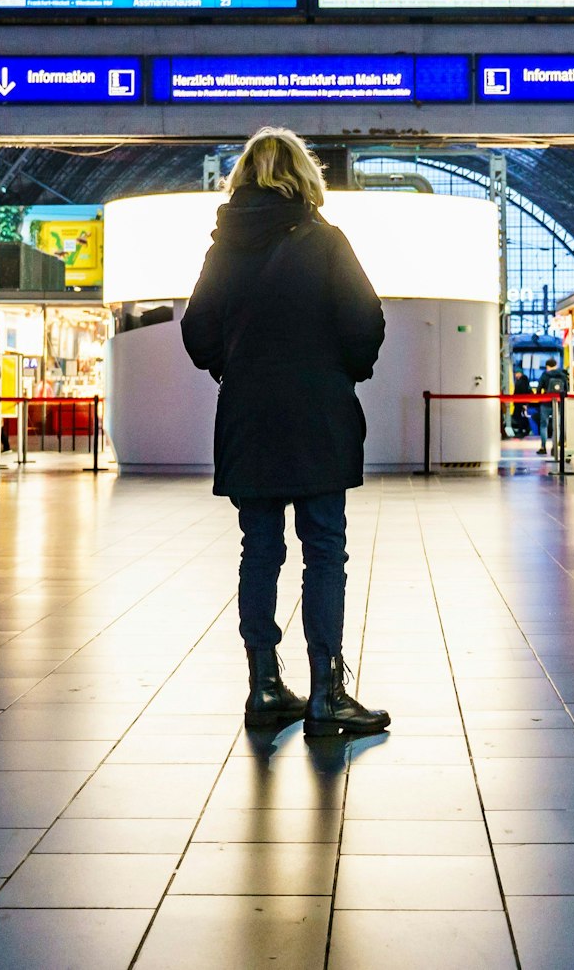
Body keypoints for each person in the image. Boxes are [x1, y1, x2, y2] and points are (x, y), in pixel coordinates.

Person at [182, 127, 390, 739]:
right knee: (324, 547)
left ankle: (264, 684)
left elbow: (197, 335)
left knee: (260, 549)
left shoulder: (222, 250)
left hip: (249, 417)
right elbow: (365, 323)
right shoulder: (325, 242)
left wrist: (237, 366)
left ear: (242, 179)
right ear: (305, 178)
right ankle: (327, 692)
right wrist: (341, 370)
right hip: (318, 415)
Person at [537, 358, 570, 452]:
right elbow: (566, 389)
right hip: (559, 403)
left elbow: (539, 389)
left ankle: (543, 447)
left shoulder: (544, 375)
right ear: (556, 365)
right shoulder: (562, 375)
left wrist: (540, 398)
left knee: (544, 425)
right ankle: (554, 447)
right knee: (557, 425)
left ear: (547, 366)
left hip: (546, 402)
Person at [509, 367, 533, 438]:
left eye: (516, 373)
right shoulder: (524, 381)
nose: (515, 375)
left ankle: (522, 431)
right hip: (521, 403)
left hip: (520, 403)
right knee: (522, 417)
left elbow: (521, 392)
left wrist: (523, 404)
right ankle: (524, 430)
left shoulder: (521, 382)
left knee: (520, 417)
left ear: (520, 373)